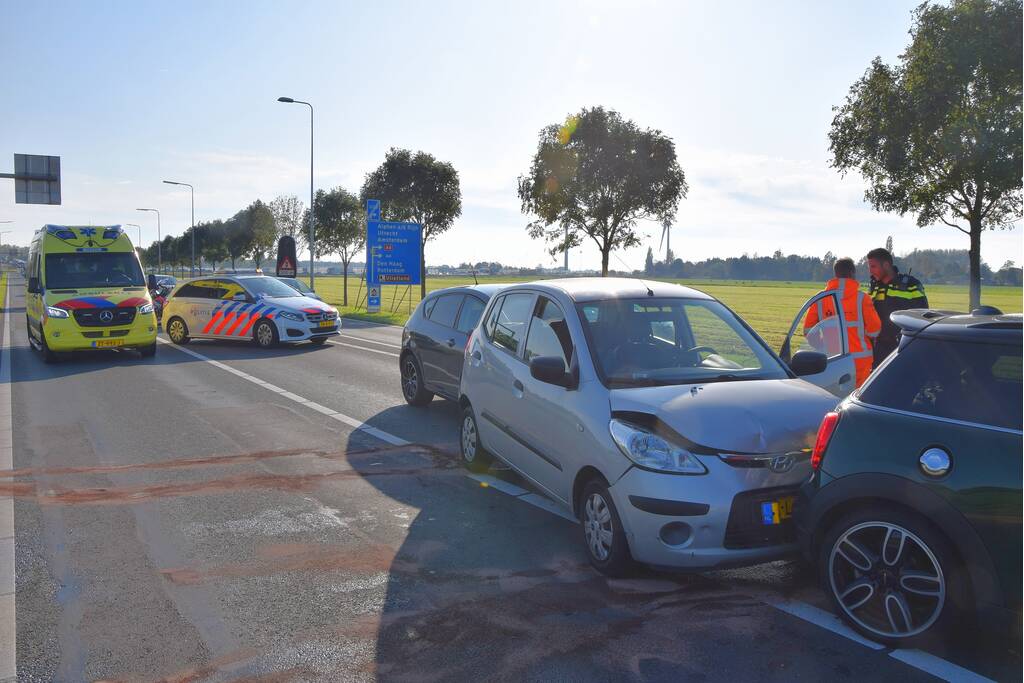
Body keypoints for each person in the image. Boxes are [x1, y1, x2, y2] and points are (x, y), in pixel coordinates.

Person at [804, 257, 881, 387]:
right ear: (852, 273)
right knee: (857, 397)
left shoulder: (820, 299)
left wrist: (824, 346)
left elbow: (809, 332)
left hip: (832, 361)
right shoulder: (862, 298)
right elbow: (875, 330)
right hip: (860, 362)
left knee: (833, 395)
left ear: (836, 273)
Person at [867, 247, 928, 367]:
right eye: (869, 267)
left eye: (873, 266)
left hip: (903, 348)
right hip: (878, 349)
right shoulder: (874, 286)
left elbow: (924, 316)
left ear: (886, 265)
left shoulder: (911, 285)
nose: (870, 271)